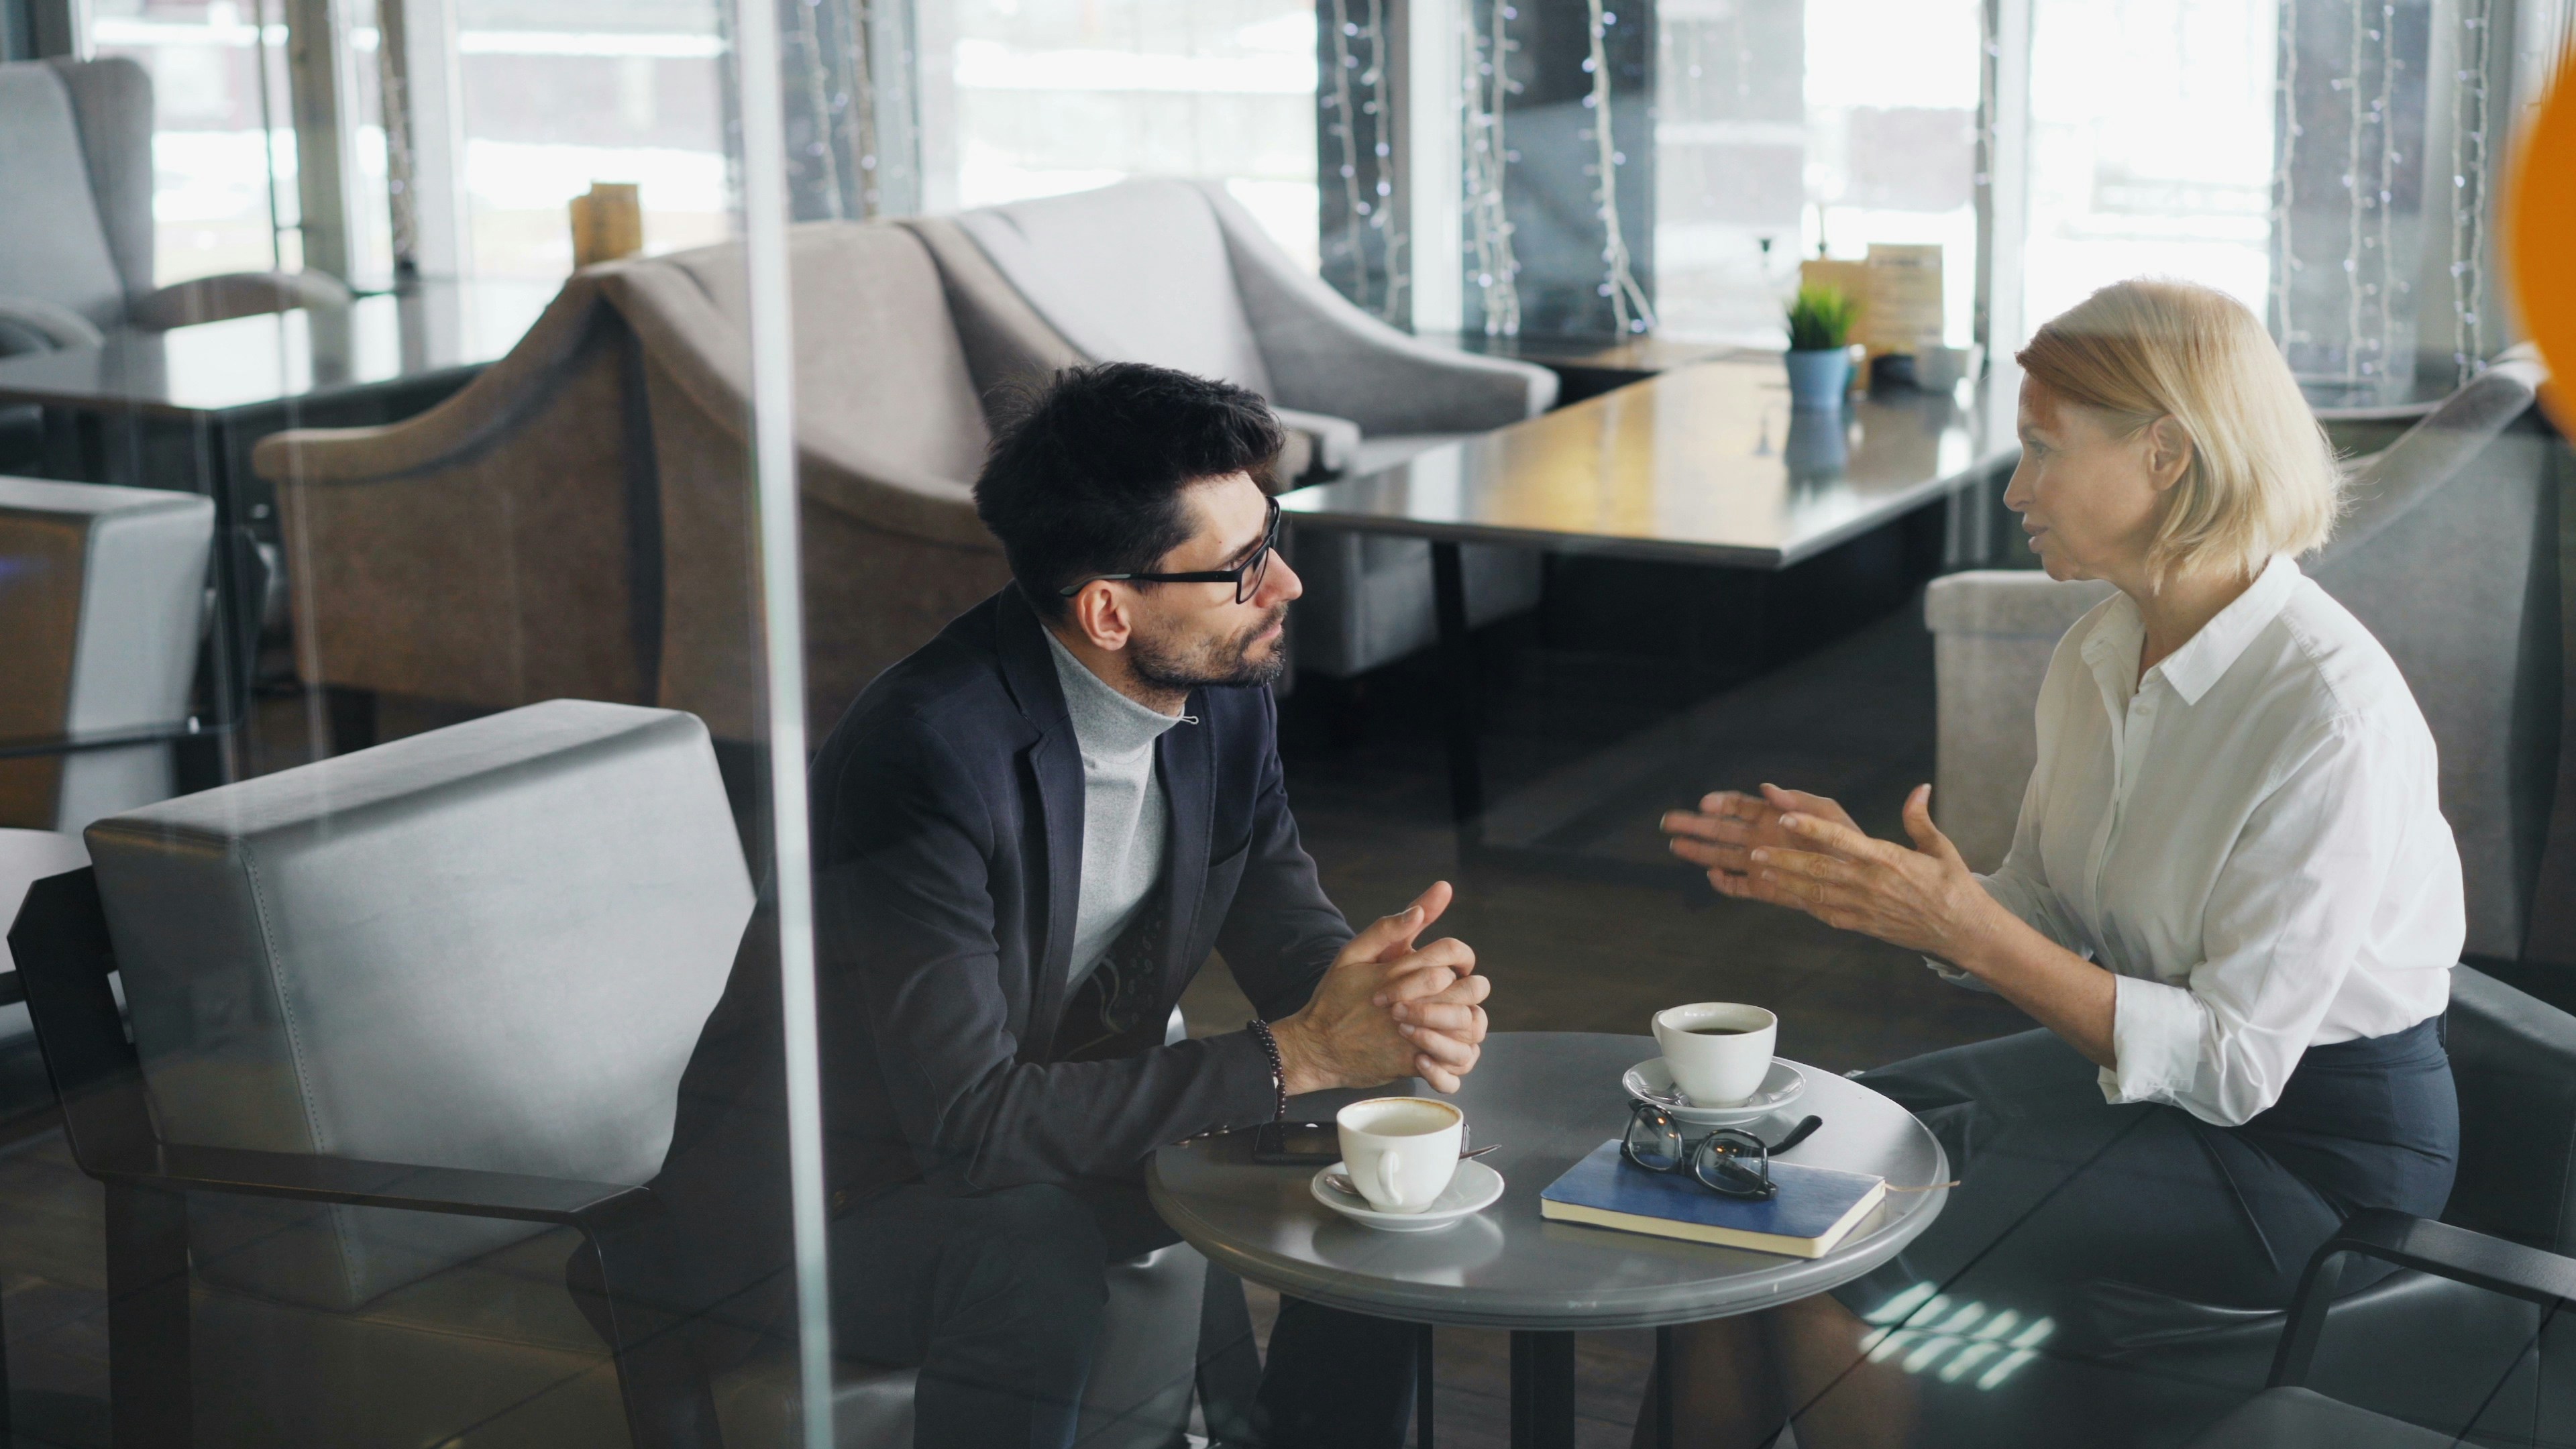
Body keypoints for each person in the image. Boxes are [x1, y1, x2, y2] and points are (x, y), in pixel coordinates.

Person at [1650, 279, 2462, 1446]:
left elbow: (2237, 1068)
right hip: (2146, 1084)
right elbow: (2040, 904)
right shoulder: (2101, 647)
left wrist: (1961, 926)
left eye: (2042, 449)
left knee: (1839, 1251)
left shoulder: (2327, 715)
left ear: (2168, 454)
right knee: (1729, 1181)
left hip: (2312, 1153)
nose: (2018, 488)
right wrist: (1882, 884)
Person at [626, 362, 1494, 1449]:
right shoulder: (927, 752)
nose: (1287, 588)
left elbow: (1282, 922)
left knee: (1385, 1137)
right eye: (1242, 568)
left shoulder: (1219, 695)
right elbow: (968, 1124)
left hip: (1034, 1140)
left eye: (1270, 541)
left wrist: (1385, 999)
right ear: (1107, 609)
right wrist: (1298, 1056)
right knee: (1031, 1241)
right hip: (824, 1210)